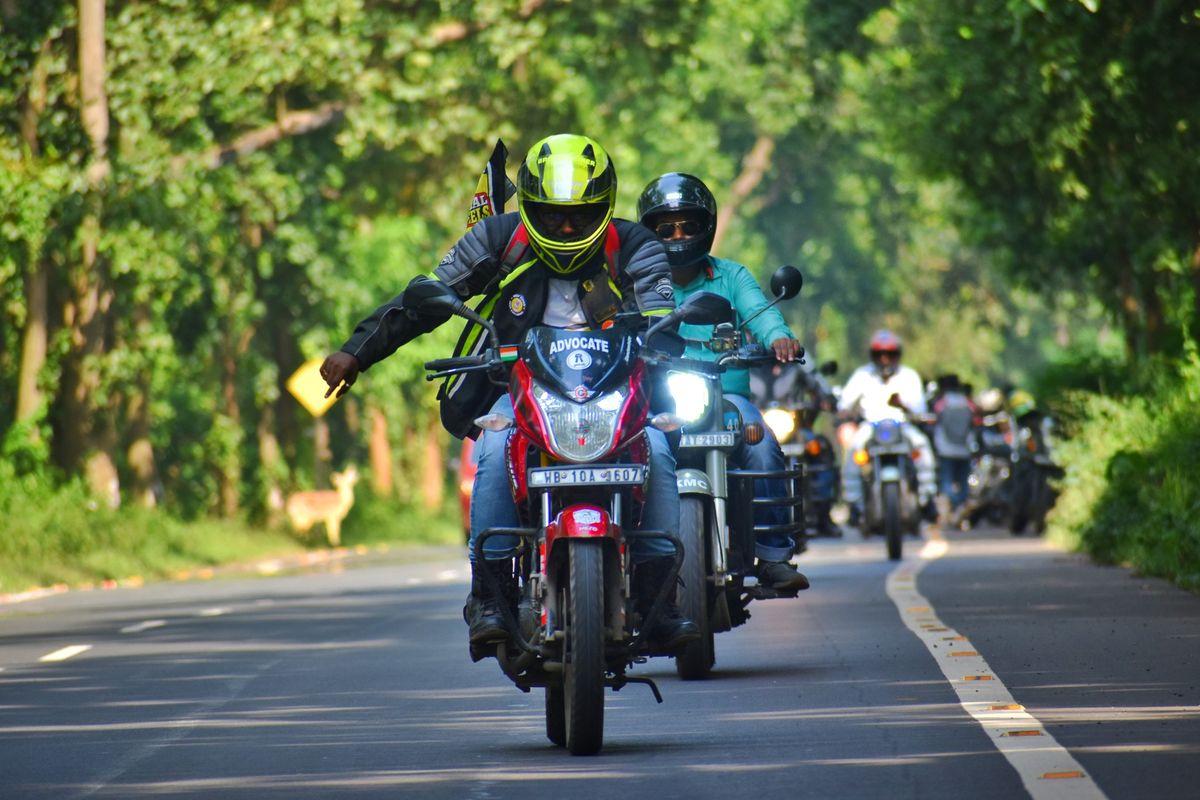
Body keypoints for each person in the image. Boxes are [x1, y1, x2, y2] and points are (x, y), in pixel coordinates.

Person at [319, 134, 699, 650]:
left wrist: (659, 334)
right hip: (519, 394)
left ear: (605, 208)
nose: (566, 227)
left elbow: (660, 313)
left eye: (581, 215)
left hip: (615, 393)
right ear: (529, 206)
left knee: (656, 449)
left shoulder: (635, 245)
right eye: (551, 214)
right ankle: (490, 597)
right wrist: (357, 351)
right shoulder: (499, 237)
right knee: (493, 449)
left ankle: (660, 601)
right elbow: (426, 296)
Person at [637, 172, 809, 591]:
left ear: (706, 227)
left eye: (687, 226)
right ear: (648, 233)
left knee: (762, 443)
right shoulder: (636, 281)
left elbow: (761, 312)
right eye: (666, 228)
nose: (678, 236)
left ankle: (772, 554)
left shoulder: (731, 276)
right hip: (656, 401)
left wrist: (779, 337)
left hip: (724, 398)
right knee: (627, 456)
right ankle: (634, 554)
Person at [836, 329, 938, 525]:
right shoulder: (862, 375)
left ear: (897, 355)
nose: (884, 359)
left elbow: (919, 408)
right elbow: (844, 403)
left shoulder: (909, 376)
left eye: (889, 354)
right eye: (879, 354)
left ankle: (927, 498)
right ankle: (855, 504)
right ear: (873, 356)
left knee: (922, 446)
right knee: (853, 452)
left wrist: (903, 404)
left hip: (902, 426)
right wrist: (845, 412)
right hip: (871, 426)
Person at [930, 373, 978, 521]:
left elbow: (933, 418)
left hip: (945, 449)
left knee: (946, 482)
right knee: (963, 483)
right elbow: (976, 419)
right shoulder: (967, 402)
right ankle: (960, 507)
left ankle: (955, 506)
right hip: (965, 448)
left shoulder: (942, 402)